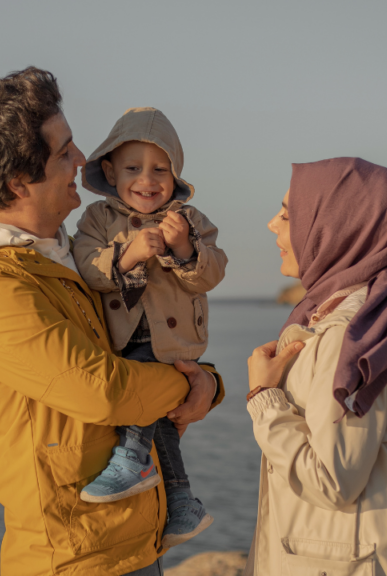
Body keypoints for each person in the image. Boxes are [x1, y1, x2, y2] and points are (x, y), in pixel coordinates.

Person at [0, 67, 224, 576]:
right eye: (64, 152)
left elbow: (137, 349)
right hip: (74, 558)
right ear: (20, 181)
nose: (83, 161)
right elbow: (103, 391)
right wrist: (195, 386)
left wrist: (205, 382)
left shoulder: (65, 257)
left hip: (130, 544)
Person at [244, 157, 387, 576]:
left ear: (339, 227)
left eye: (288, 213)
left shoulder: (354, 335)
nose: (272, 224)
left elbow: (331, 481)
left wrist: (263, 399)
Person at [72, 107, 228, 547]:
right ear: (109, 170)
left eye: (161, 169)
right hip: (121, 334)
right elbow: (88, 267)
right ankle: (181, 501)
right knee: (161, 423)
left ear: (176, 174)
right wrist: (128, 252)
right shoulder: (98, 219)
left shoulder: (191, 219)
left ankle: (131, 460)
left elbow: (212, 274)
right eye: (133, 168)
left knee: (145, 387)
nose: (148, 179)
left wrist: (184, 248)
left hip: (172, 338)